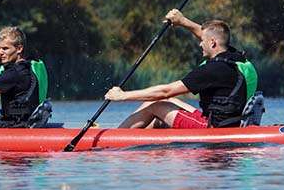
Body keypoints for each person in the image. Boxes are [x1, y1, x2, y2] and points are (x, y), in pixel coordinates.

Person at [104, 13, 258, 129]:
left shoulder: (210, 70)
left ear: (212, 43)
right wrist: (182, 21)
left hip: (211, 127)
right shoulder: (234, 58)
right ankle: (132, 134)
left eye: (202, 41)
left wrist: (123, 96)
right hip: (226, 121)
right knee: (168, 102)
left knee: (156, 105)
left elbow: (166, 91)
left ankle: (115, 137)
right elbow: (212, 35)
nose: (200, 44)